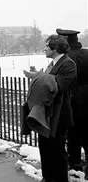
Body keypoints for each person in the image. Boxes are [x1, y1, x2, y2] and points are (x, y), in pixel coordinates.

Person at [23, 35, 76, 182]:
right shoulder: (52, 64)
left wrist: (38, 76)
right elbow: (47, 82)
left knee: (57, 152)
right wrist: (38, 76)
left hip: (59, 116)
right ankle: (48, 177)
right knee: (45, 149)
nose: (44, 48)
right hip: (47, 115)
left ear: (56, 47)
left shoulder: (68, 64)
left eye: (47, 46)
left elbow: (57, 86)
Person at [57, 29, 88, 175]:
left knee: (72, 133)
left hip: (71, 100)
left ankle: (75, 164)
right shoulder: (87, 54)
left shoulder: (64, 58)